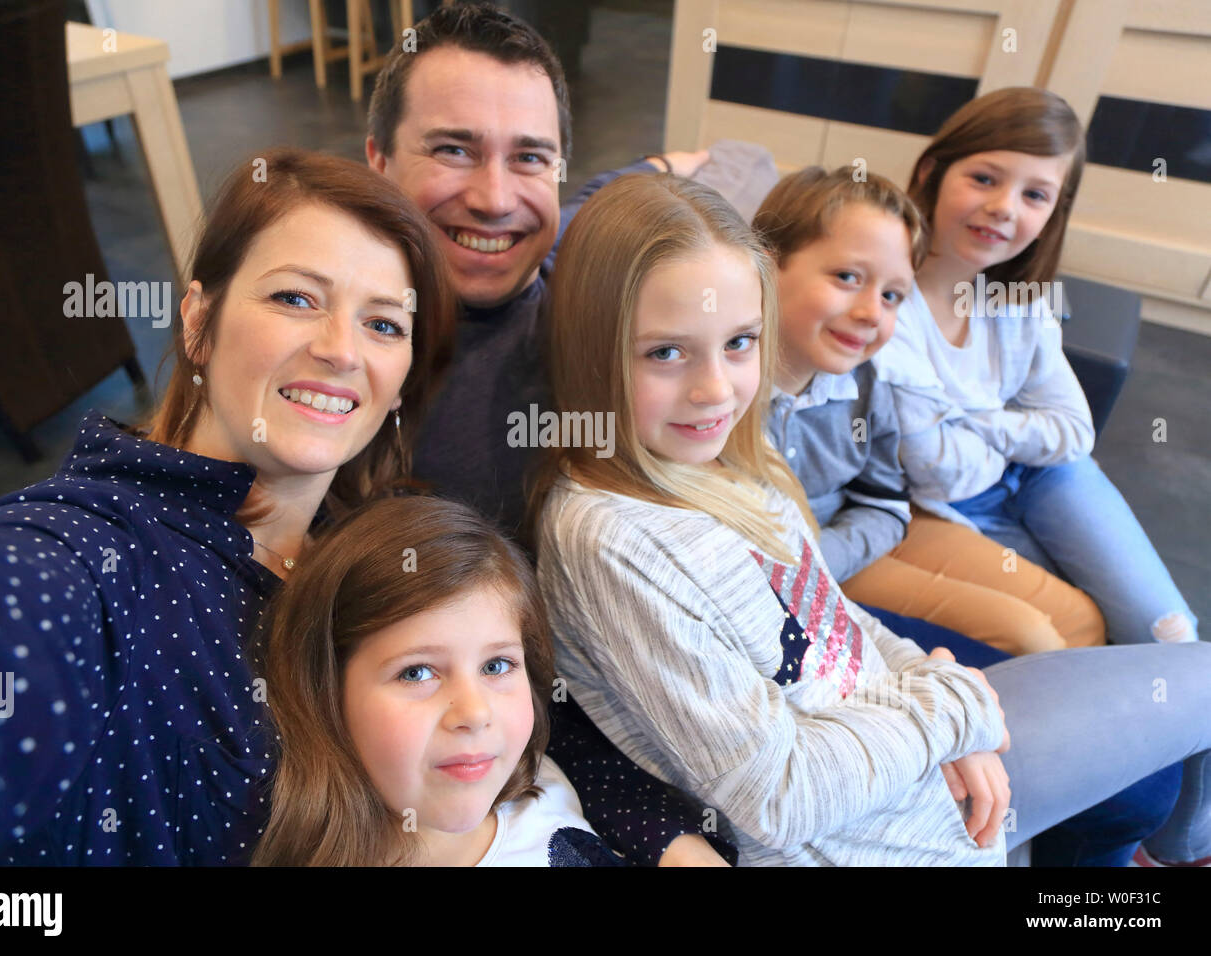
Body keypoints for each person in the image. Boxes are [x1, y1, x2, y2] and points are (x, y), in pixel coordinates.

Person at [530, 170, 1211, 865]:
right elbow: (779, 795)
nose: (715, 390)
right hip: (867, 835)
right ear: (594, 349)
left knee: (1175, 710)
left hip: (904, 766)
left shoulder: (736, 450)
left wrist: (933, 691)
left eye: (739, 343)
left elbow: (835, 620)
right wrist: (948, 711)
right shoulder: (607, 534)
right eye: (665, 352)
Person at [0, 148, 458, 864]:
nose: (340, 350)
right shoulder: (97, 556)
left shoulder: (366, 539)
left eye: (383, 324)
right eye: (295, 298)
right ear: (199, 321)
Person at [363, 0, 728, 866]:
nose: (494, 198)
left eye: (528, 157)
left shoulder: (602, 308)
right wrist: (666, 835)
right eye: (452, 149)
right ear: (376, 162)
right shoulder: (352, 382)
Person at [871, 86, 1198, 647]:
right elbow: (937, 472)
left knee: (1168, 634)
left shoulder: (1020, 298)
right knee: (1078, 634)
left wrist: (973, 419)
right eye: (984, 179)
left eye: (1036, 195)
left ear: (1052, 213)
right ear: (930, 172)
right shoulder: (883, 303)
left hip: (1045, 475)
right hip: (947, 503)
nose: (1005, 208)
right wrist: (1017, 425)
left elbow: (1072, 432)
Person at [754, 165, 1104, 655]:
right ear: (766, 265)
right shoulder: (721, 396)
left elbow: (884, 500)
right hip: (799, 571)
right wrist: (825, 558)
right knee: (1032, 639)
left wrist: (843, 546)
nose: (870, 312)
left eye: (892, 295)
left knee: (1080, 621)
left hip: (855, 539)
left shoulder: (865, 378)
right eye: (847, 277)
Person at [253, 495, 622, 866]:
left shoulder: (547, 786)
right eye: (417, 673)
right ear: (326, 692)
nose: (475, 713)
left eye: (495, 666)